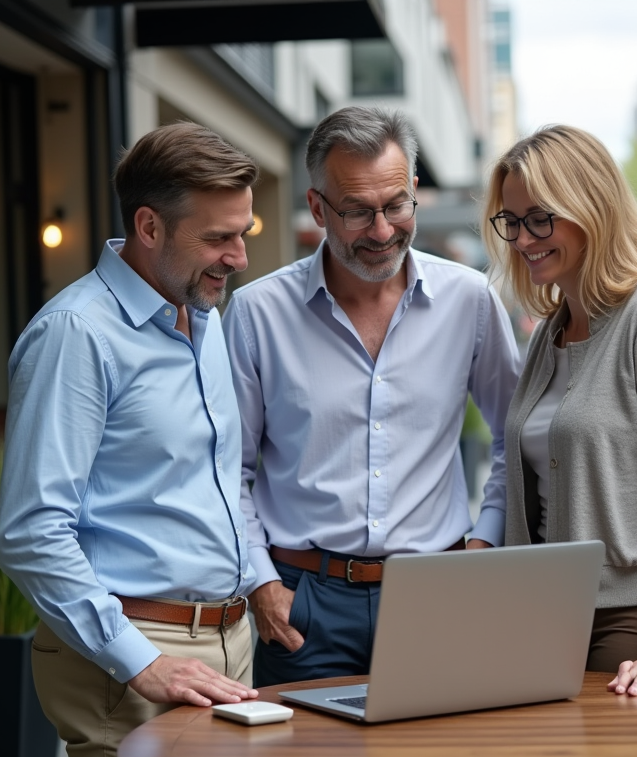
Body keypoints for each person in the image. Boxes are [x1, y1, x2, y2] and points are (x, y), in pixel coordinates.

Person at [0, 122, 261, 757]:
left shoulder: (202, 315)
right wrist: (139, 661)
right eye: (218, 238)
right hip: (133, 656)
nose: (239, 257)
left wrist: (254, 588)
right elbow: (31, 534)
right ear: (149, 226)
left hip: (224, 646)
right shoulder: (76, 335)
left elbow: (211, 479)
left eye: (243, 234)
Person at [223, 107, 521, 688]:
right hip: (301, 603)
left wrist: (484, 539)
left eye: (394, 206)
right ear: (316, 207)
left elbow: (515, 434)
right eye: (357, 211)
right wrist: (261, 583)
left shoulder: (469, 300)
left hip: (436, 592)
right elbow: (227, 469)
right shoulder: (258, 313)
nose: (382, 231)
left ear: (414, 192)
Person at [485, 125, 637, 699]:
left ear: (591, 209)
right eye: (513, 221)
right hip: (546, 616)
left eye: (541, 218)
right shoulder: (550, 334)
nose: (524, 239)